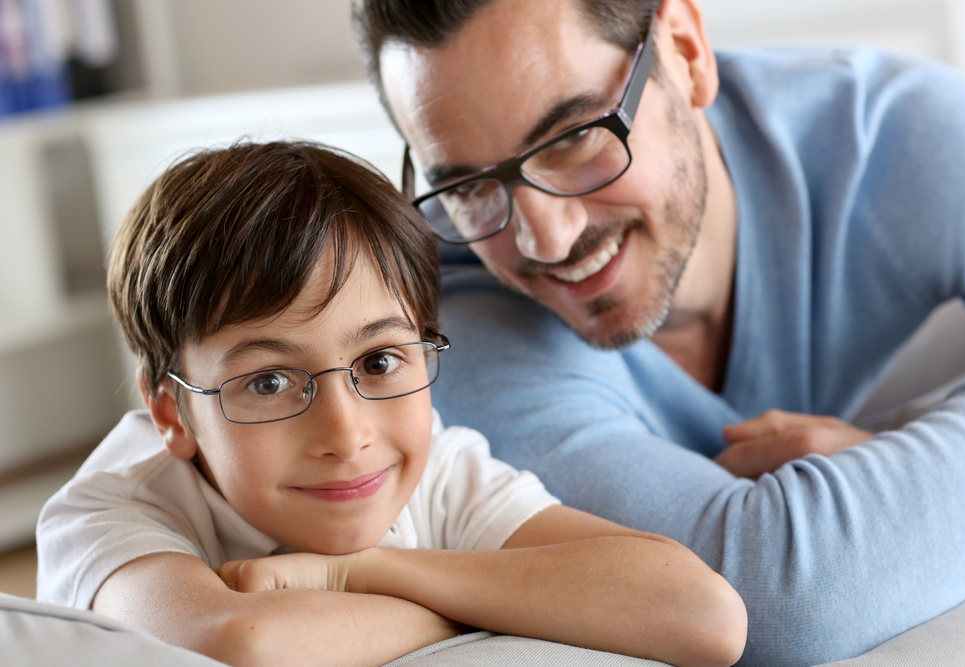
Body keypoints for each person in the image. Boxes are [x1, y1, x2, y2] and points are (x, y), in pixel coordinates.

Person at [351, 0, 965, 664]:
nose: (546, 239)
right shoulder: (450, 331)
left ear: (686, 51)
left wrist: (894, 446)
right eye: (467, 187)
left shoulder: (899, 141)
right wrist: (912, 457)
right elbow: (779, 600)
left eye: (574, 137)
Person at [35, 141, 747, 667]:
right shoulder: (109, 511)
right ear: (171, 413)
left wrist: (359, 574)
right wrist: (503, 605)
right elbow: (242, 645)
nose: (347, 435)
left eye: (378, 362)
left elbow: (704, 614)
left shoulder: (434, 467)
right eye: (270, 382)